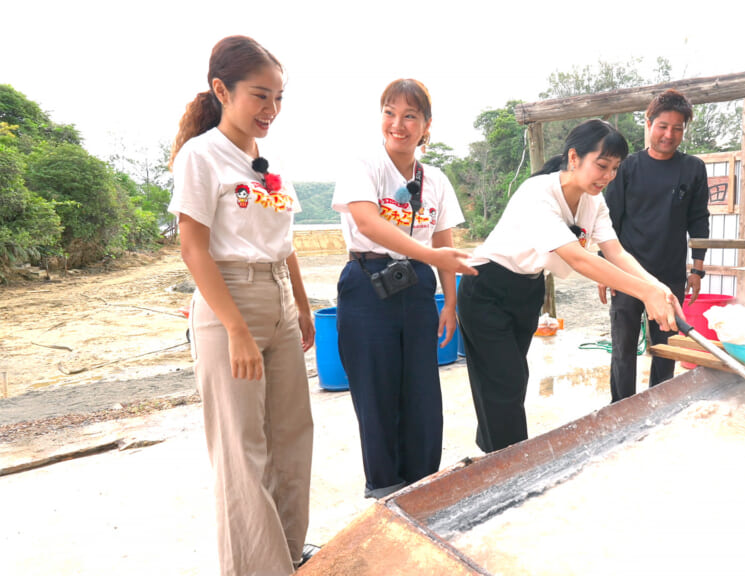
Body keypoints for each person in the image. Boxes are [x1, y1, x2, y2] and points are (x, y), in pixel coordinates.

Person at [168, 36, 316, 575]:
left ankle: (289, 555)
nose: (271, 110)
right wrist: (234, 328)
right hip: (230, 302)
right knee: (241, 454)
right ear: (221, 90)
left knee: (292, 439)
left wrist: (300, 304)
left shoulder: (266, 166)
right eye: (260, 96)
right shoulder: (201, 155)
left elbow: (285, 240)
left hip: (277, 299)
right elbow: (193, 247)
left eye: (278, 98)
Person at [458, 119, 682, 454]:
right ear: (574, 157)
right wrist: (644, 292)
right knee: (504, 382)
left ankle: (496, 454)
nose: (607, 177)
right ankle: (511, 462)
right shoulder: (538, 194)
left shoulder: (594, 202)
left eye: (615, 169)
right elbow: (578, 259)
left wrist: (658, 286)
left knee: (510, 381)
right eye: (601, 165)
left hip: (527, 289)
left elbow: (616, 251)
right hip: (487, 287)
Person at [331, 79, 477, 499]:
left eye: (410, 115)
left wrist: (450, 302)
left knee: (422, 393)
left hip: (417, 288)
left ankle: (422, 487)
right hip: (366, 282)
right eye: (390, 113)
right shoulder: (364, 165)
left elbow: (444, 243)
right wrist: (432, 258)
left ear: (426, 125)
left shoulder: (436, 180)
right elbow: (368, 223)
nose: (398, 124)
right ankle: (384, 491)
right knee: (375, 392)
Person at [602, 89, 711, 403]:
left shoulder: (692, 169)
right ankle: (621, 408)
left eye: (678, 128)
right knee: (623, 349)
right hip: (626, 276)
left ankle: (659, 405)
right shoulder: (626, 167)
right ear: (648, 123)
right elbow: (610, 221)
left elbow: (699, 220)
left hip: (669, 276)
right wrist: (603, 271)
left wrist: (697, 270)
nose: (669, 134)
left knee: (666, 348)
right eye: (663, 126)